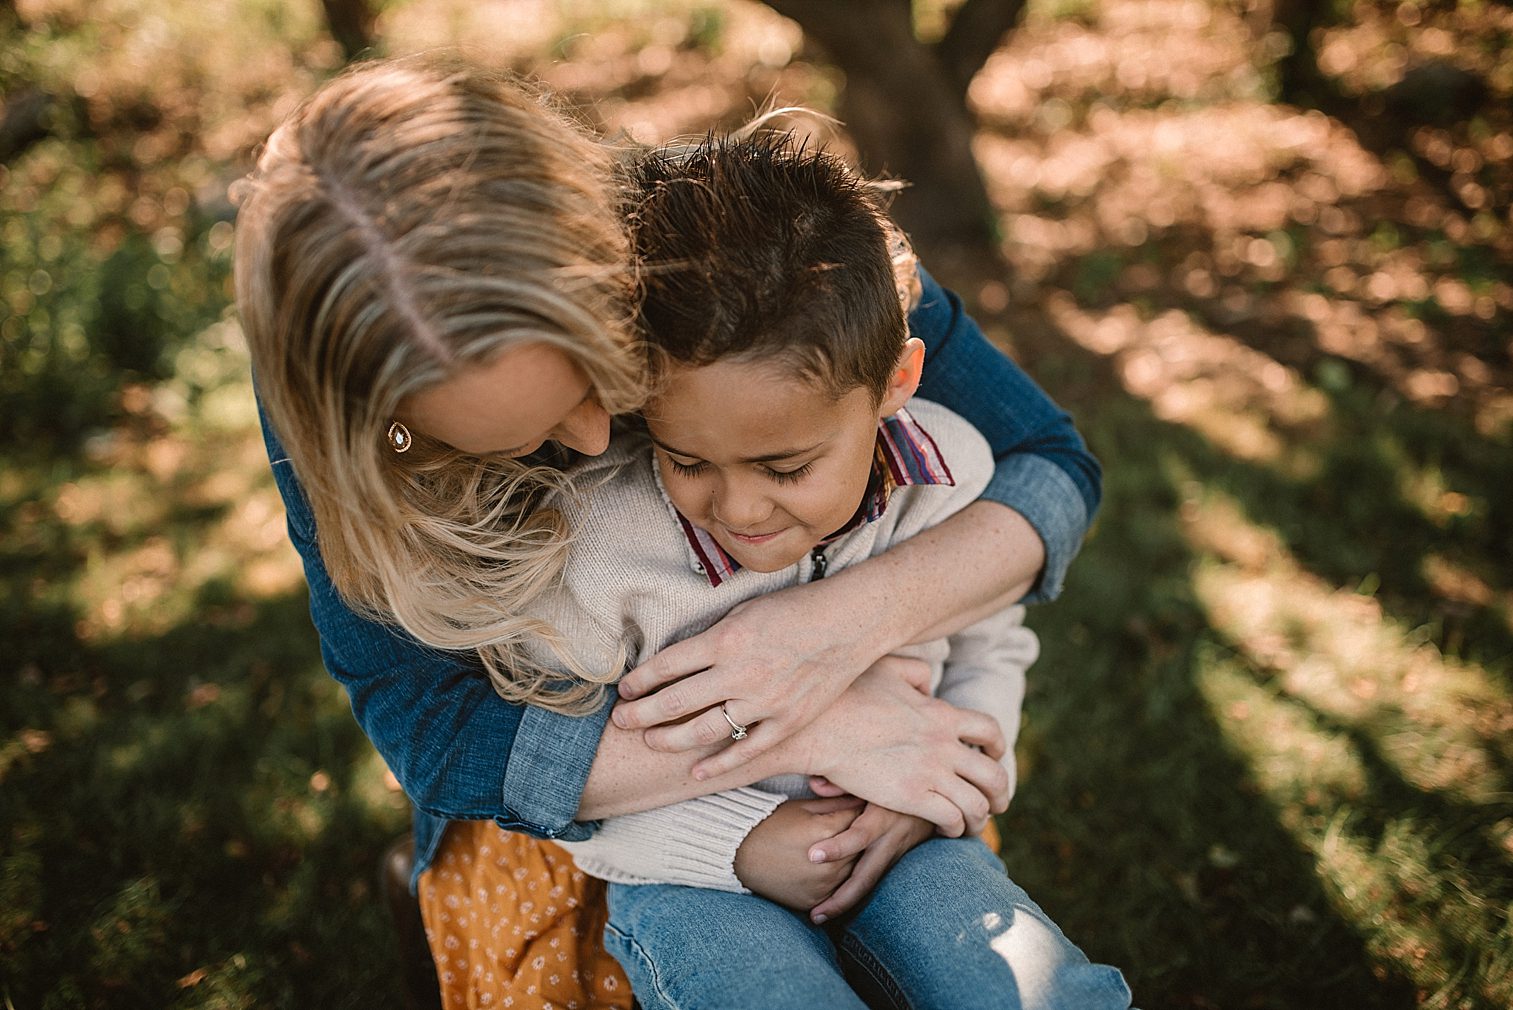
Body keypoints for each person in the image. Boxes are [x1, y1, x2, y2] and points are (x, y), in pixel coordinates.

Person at [234, 55, 1107, 1008]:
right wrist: (799, 729)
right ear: (388, 427)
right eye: (527, 440)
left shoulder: (749, 248)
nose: (599, 440)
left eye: (600, 380)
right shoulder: (355, 420)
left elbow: (1048, 467)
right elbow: (440, 734)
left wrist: (833, 634)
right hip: (589, 787)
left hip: (880, 758)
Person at [494, 132, 1131, 1010]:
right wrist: (739, 844)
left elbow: (989, 645)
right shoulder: (603, 555)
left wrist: (952, 784)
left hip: (911, 838)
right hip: (689, 880)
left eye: (786, 468)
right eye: (686, 460)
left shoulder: (954, 484)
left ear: (897, 380)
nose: (741, 510)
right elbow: (571, 789)